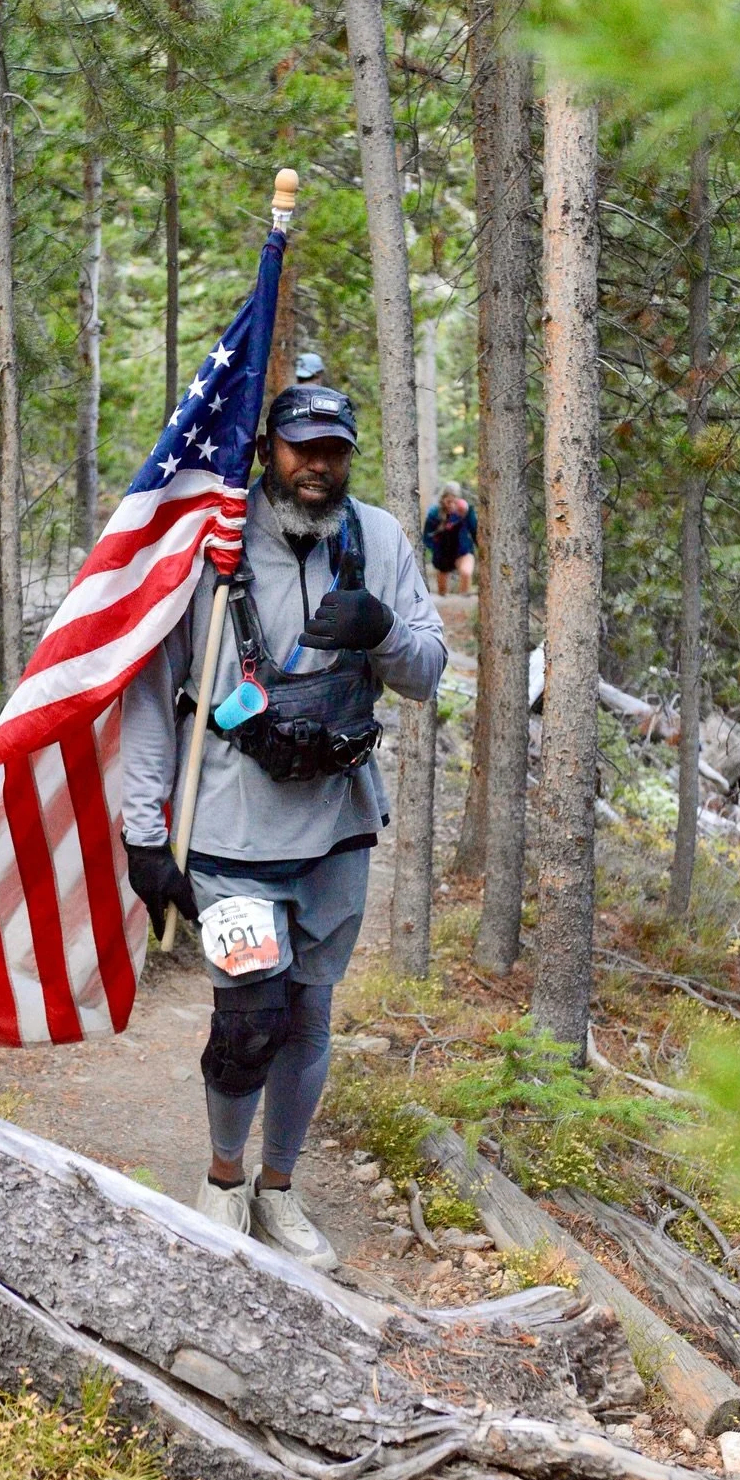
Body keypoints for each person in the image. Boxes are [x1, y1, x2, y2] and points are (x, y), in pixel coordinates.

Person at [121, 384, 447, 1267]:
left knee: (308, 1014)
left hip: (337, 824)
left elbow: (425, 671)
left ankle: (279, 1190)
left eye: (334, 449)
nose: (318, 466)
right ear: (269, 448)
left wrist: (380, 629)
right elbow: (153, 691)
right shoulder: (211, 545)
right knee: (249, 1017)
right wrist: (143, 833)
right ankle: (223, 1179)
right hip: (230, 826)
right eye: (302, 448)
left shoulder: (377, 539)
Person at [422, 482, 478, 595]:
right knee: (442, 590)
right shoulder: (434, 514)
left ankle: (464, 598)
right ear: (443, 499)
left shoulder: (465, 511)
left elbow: (474, 530)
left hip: (463, 549)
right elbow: (427, 536)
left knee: (466, 572)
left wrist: (481, 548)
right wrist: (435, 549)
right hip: (444, 553)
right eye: (448, 501)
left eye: (454, 501)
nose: (451, 505)